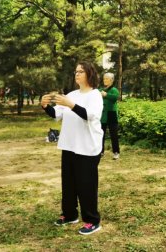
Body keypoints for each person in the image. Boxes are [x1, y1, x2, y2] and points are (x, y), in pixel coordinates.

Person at [41, 61, 104, 235]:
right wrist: (45, 106)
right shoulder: (71, 94)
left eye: (81, 71)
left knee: (86, 185)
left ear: (89, 74)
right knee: (68, 183)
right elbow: (56, 114)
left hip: (87, 147)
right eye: (76, 71)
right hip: (69, 145)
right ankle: (69, 215)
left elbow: (89, 115)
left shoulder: (95, 95)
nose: (76, 74)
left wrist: (71, 104)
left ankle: (92, 220)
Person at [98, 72, 120, 160]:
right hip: (102, 115)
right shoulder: (101, 89)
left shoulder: (114, 90)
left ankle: (116, 152)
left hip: (111, 114)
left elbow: (115, 98)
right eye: (104, 78)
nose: (105, 80)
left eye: (107, 79)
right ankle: (100, 151)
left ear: (111, 80)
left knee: (113, 135)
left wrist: (106, 95)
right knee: (100, 134)